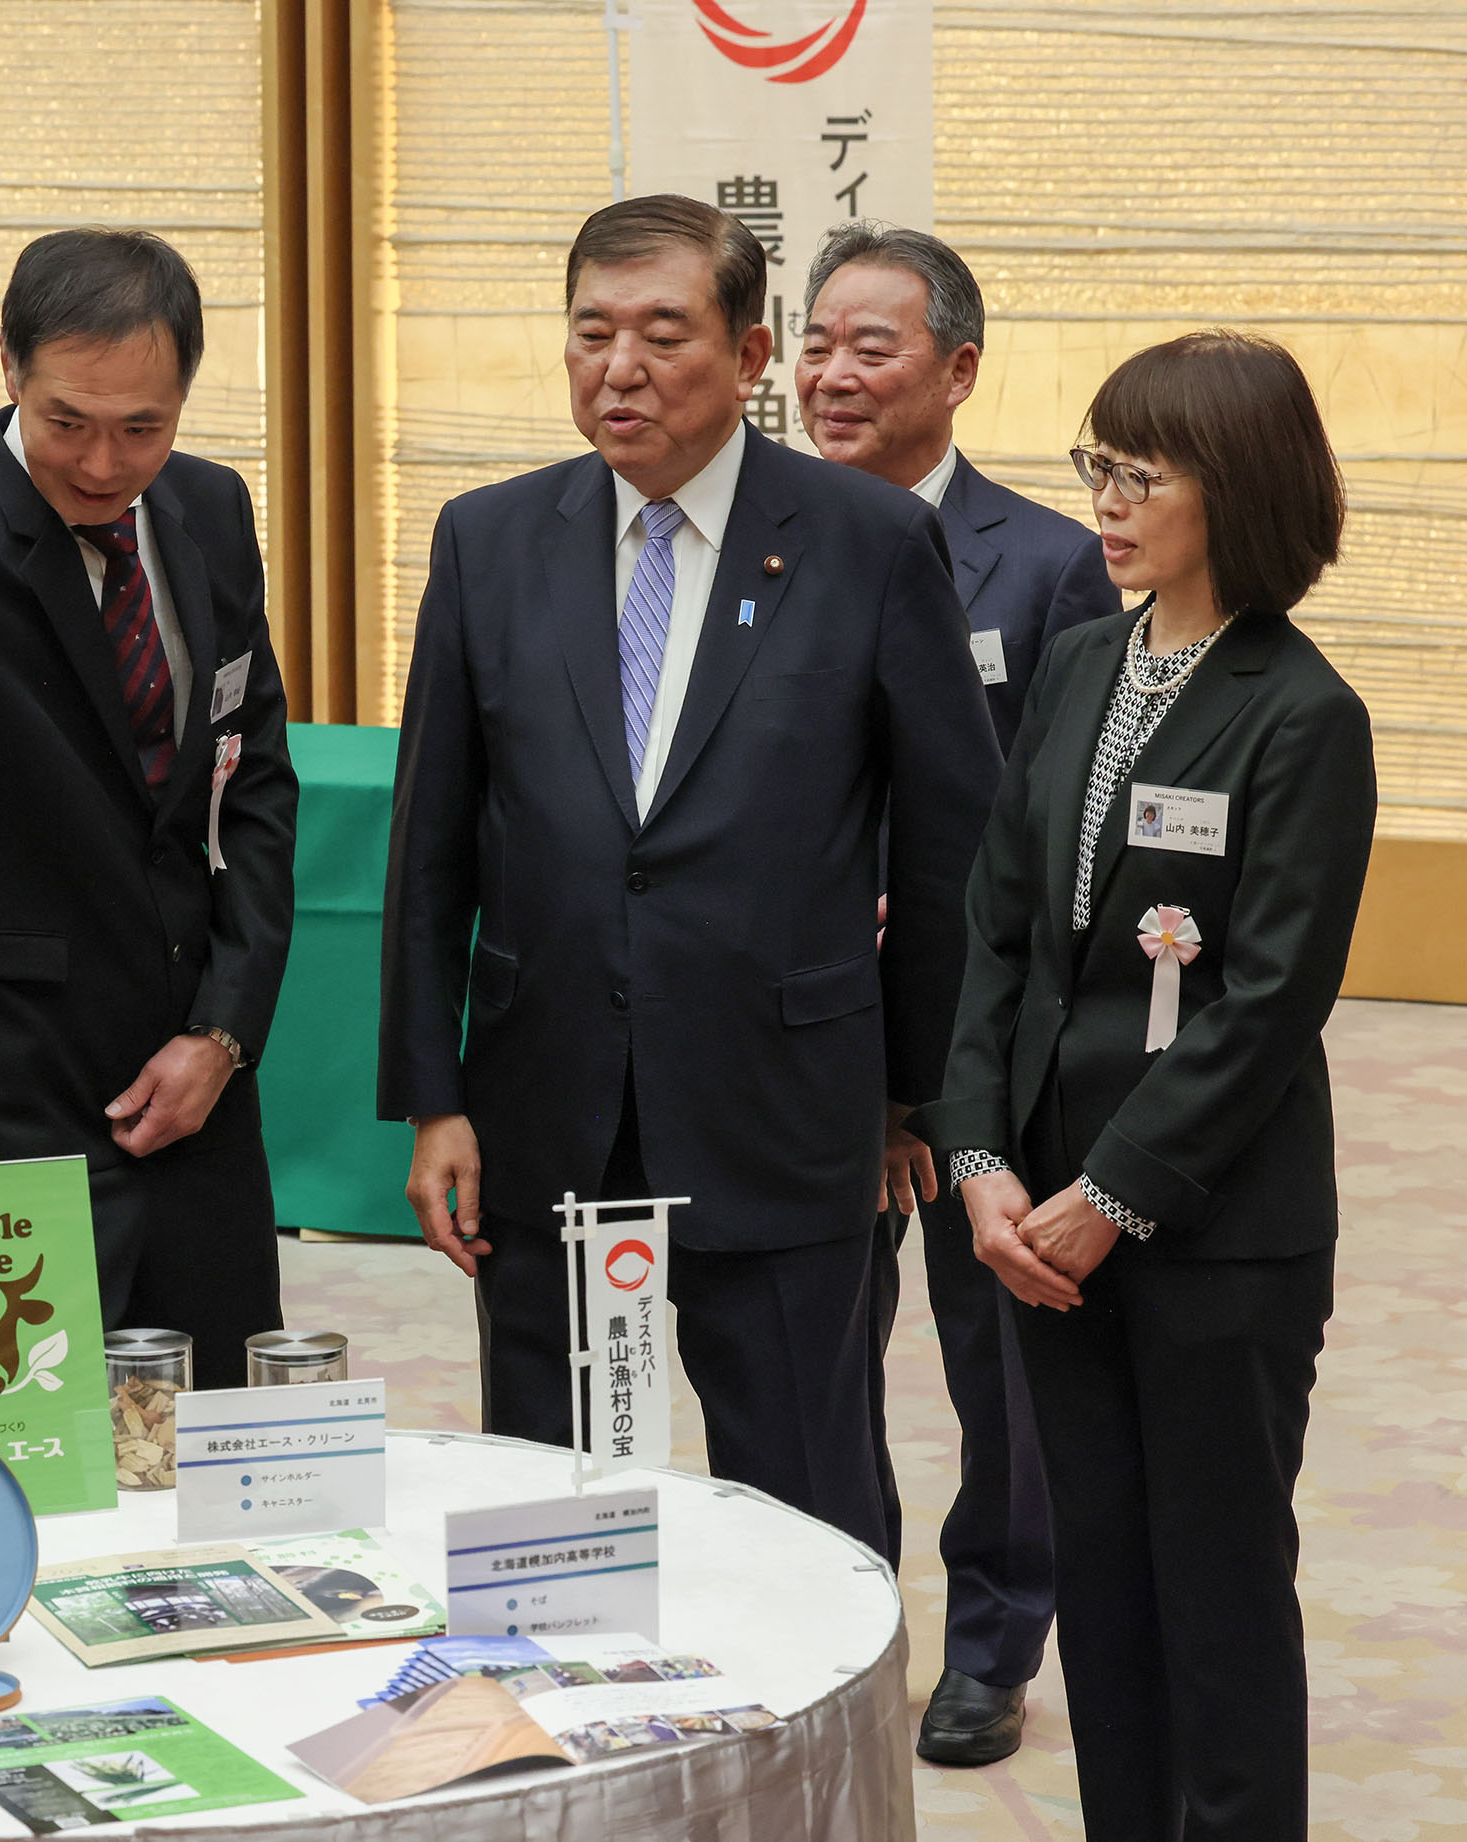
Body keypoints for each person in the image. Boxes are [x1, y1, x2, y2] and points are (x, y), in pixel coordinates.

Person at [380, 195, 1000, 1559]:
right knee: (551, 1498)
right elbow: (430, 844)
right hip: (547, 1100)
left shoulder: (867, 540)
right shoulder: (492, 540)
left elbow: (955, 846)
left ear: (751, 350)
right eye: (592, 333)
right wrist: (436, 1097)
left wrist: (910, 1094)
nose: (622, 368)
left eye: (665, 334)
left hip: (785, 1107)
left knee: (801, 1489)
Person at [914, 332, 1372, 1838]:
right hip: (1041, 1221)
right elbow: (998, 926)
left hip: (1207, 1231)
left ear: (1231, 490)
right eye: (1095, 466)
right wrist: (980, 1155)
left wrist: (1108, 1196)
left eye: (1139, 473)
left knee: (1220, 1593)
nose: (1104, 501)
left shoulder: (1303, 713)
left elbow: (1265, 1003)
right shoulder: (1081, 662)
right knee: (1104, 1583)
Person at [0, 228, 297, 1389]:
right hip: (3, 1101)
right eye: (68, 421)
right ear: (7, 368)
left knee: (208, 1461)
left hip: (196, 1102)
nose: (102, 463)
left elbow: (256, 787)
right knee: (3, 1475)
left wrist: (223, 1035)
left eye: (143, 425)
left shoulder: (207, 511)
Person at [795, 219, 1122, 1766]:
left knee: (1000, 1350)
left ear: (960, 370)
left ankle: (995, 1639)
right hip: (804, 1031)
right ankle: (836, 1622)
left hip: (991, 1042)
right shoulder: (764, 539)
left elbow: (1065, 826)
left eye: (873, 345)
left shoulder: (1049, 564)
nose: (829, 374)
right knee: (812, 1349)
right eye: (814, 341)